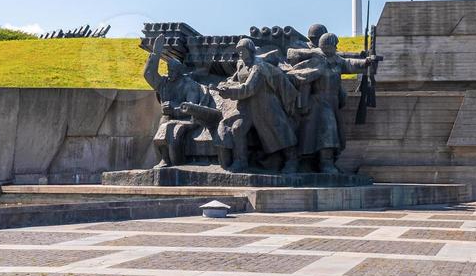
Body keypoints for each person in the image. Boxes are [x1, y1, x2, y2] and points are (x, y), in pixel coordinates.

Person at [290, 32, 377, 174]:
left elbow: (349, 64)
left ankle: (326, 162)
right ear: (327, 46)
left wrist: (366, 62)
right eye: (333, 45)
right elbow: (301, 75)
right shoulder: (316, 60)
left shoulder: (336, 60)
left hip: (332, 102)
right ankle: (326, 163)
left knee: (334, 132)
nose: (336, 47)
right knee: (328, 130)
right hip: (319, 102)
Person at [216, 37, 298, 173]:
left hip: (265, 104)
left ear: (250, 50)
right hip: (246, 106)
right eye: (239, 51)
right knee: (237, 129)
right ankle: (240, 161)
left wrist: (230, 92)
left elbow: (249, 88)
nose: (240, 54)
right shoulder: (241, 64)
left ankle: (292, 161)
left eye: (243, 50)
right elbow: (234, 79)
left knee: (280, 132)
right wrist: (224, 86)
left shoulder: (258, 66)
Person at [144, 33, 218, 167]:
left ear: (179, 71)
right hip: (169, 118)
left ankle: (177, 163)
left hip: (188, 119)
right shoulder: (165, 83)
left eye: (172, 70)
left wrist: (174, 108)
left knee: (173, 130)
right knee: (162, 131)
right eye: (168, 69)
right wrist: (156, 53)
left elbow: (192, 108)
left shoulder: (189, 85)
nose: (169, 72)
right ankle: (165, 159)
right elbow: (149, 75)